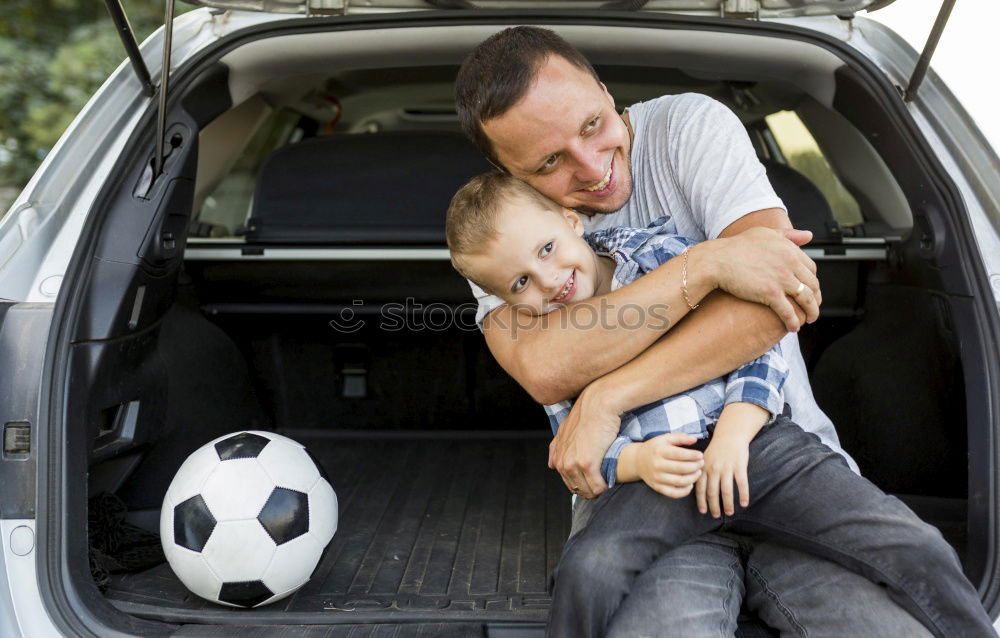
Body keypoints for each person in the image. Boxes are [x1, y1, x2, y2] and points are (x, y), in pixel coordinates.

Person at [450, 25, 981, 636]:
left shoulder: (687, 130)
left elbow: (773, 301)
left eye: (593, 125)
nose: (592, 167)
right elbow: (548, 369)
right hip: (645, 489)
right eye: (549, 162)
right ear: (507, 171)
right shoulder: (504, 233)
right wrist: (710, 265)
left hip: (773, 455)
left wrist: (608, 394)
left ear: (602, 88)